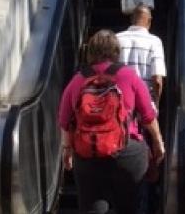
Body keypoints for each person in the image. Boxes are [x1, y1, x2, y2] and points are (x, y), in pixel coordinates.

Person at [58, 30, 165, 214]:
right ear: (116, 51)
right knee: (130, 207)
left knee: (93, 207)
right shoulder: (129, 76)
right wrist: (158, 142)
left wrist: (67, 150)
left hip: (87, 153)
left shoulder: (77, 80)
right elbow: (148, 116)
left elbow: (65, 121)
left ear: (90, 51)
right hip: (127, 152)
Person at [117, 5, 167, 107]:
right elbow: (157, 80)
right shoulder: (155, 42)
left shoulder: (116, 38)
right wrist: (155, 104)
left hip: (120, 104)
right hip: (144, 104)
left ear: (131, 19)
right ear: (149, 21)